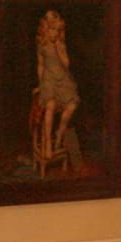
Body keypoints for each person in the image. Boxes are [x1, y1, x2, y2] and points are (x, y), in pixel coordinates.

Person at [33, 9, 79, 160]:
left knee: (71, 106)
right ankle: (47, 142)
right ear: (46, 29)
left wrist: (59, 50)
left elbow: (66, 64)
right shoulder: (42, 45)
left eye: (58, 31)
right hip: (49, 80)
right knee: (50, 105)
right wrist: (41, 83)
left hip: (63, 79)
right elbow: (40, 65)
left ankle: (60, 132)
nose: (55, 33)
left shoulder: (61, 45)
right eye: (52, 30)